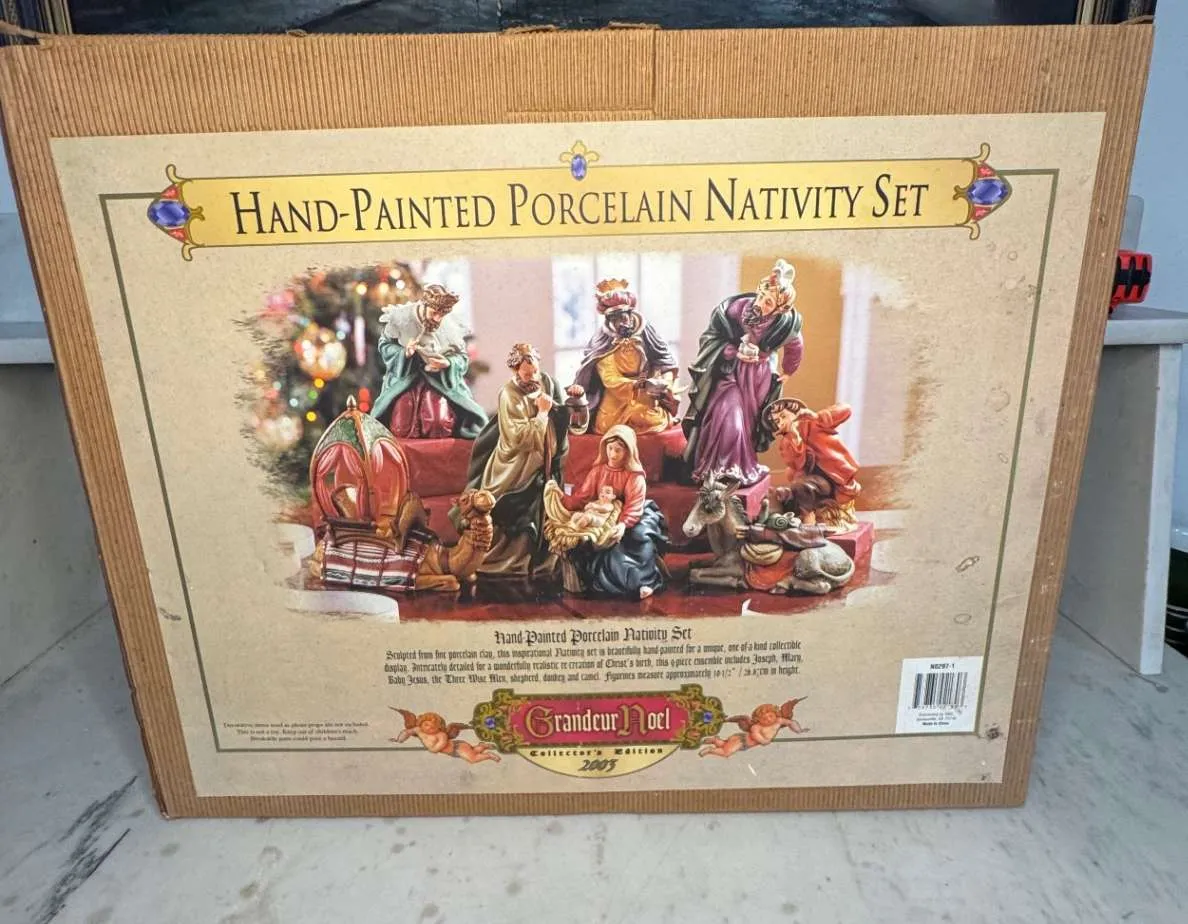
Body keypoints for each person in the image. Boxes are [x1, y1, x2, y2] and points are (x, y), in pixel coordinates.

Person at [682, 260, 803, 486]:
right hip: (729, 371)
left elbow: (795, 345)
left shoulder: (783, 324)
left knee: (747, 424)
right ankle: (717, 468)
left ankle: (740, 466)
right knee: (726, 412)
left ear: (779, 309)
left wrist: (788, 370)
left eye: (768, 302)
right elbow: (713, 336)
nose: (760, 303)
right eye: (761, 296)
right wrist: (732, 351)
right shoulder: (737, 309)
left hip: (757, 379)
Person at [460, 342, 570, 577]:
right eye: (526, 371)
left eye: (534, 368)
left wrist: (574, 408)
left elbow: (565, 416)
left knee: (542, 512)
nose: (532, 375)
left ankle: (539, 561)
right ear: (515, 370)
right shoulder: (509, 394)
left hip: (544, 465)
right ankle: (508, 561)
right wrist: (542, 413)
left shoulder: (548, 384)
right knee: (512, 513)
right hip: (514, 468)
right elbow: (517, 437)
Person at [556, 425, 668, 599]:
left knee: (640, 537)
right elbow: (583, 497)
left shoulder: (634, 476)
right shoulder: (598, 471)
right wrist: (560, 498)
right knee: (602, 546)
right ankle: (620, 584)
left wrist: (623, 524)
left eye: (618, 450)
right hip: (605, 516)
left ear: (628, 451)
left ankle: (646, 581)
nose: (613, 454)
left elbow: (634, 505)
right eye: (610, 448)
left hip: (633, 517)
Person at [371, 284, 487, 439]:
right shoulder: (402, 319)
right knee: (400, 426)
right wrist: (404, 353)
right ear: (425, 305)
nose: (437, 318)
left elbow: (462, 358)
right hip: (405, 381)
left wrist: (448, 363)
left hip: (438, 383)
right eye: (434, 313)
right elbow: (385, 346)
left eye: (442, 314)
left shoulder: (449, 326)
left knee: (438, 424)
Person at [570, 279, 680, 435]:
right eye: (614, 319)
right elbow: (609, 378)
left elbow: (665, 362)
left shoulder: (646, 332)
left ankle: (663, 416)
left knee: (649, 419)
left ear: (631, 314)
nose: (620, 323)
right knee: (605, 425)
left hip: (645, 393)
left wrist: (665, 383)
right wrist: (636, 385)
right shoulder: (602, 341)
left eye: (623, 317)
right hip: (616, 394)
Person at [766, 398, 861, 530]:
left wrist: (818, 417)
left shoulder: (816, 423)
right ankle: (807, 520)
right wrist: (795, 437)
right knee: (799, 487)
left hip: (838, 480)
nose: (781, 422)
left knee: (802, 487)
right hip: (815, 483)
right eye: (777, 421)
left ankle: (810, 521)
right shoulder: (787, 442)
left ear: (796, 413)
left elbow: (846, 410)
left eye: (783, 416)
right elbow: (797, 465)